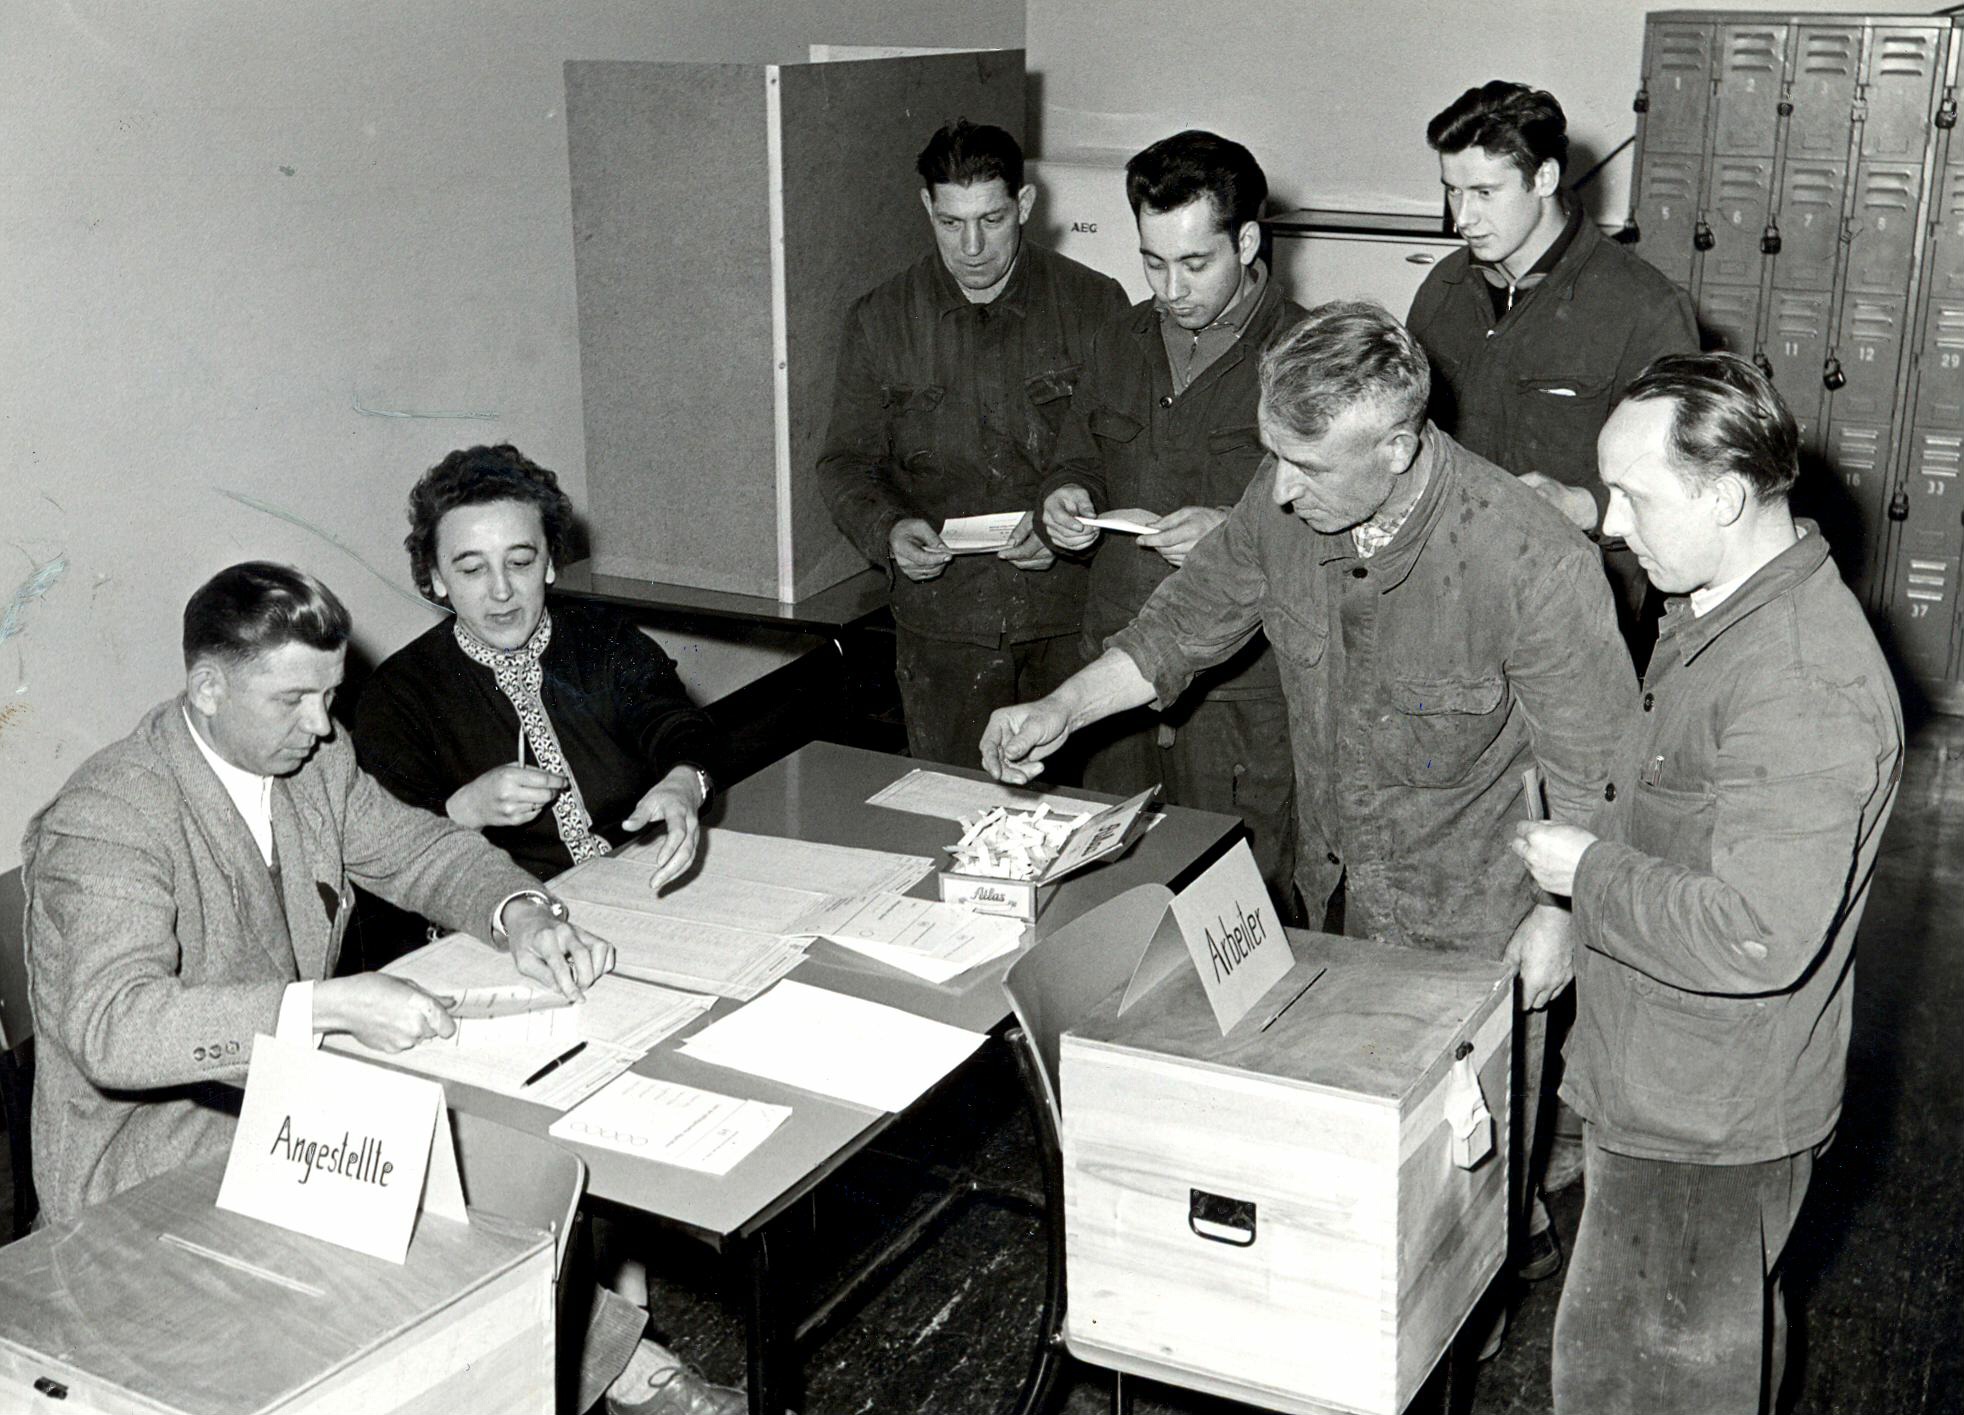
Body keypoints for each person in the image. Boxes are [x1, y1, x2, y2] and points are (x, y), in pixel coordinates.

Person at [986, 301, 1638, 1316]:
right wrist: (1060, 708)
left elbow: (1600, 770)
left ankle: (1494, 1271)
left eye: (1306, 467)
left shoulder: (1531, 559)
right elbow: (1179, 627)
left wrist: (1557, 916)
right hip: (1332, 895)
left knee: (1459, 1223)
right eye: (1273, 457)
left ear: (1397, 446)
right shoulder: (1284, 498)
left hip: (1475, 925)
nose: (1281, 490)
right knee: (1355, 1187)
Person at [1514, 354, 1903, 1413]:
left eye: (1632, 495)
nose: (1608, 523)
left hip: (1702, 1128)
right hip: (1666, 1085)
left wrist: (1584, 873)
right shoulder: (1717, 611)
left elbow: (1754, 933)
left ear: (1725, 496)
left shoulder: (1797, 678)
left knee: (1639, 1388)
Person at [23, 562, 611, 1226]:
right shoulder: (109, 811)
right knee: (469, 1210)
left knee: (517, 1178)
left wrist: (520, 911)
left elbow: (420, 852)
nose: (322, 725)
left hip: (285, 1114)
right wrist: (327, 1008)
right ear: (209, 688)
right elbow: (114, 1028)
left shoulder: (315, 766)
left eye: (329, 695)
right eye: (292, 700)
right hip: (142, 1173)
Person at [1037, 130, 1306, 910]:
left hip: (1240, 690)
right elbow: (1076, 455)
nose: (1171, 288)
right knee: (1108, 897)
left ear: (1246, 242)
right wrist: (1064, 496)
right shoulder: (1119, 339)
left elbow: (1344, 528)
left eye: (1194, 263)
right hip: (1116, 666)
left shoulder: (1307, 354)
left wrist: (1232, 526)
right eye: (1153, 262)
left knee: (1240, 906)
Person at [816, 119, 1126, 770]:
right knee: (956, 807)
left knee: (1082, 812)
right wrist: (888, 530)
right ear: (927, 208)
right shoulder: (880, 320)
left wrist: (1072, 517)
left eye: (992, 219)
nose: (973, 246)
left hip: (1069, 622)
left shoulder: (1095, 306)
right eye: (951, 223)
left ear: (1025, 205)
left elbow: (1127, 453)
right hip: (943, 632)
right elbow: (845, 463)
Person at [1407, 81, 1697, 650]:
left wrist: (1581, 504)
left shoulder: (1644, 307)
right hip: (1446, 593)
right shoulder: (1442, 290)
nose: (1462, 217)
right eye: (1452, 192)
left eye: (1484, 193)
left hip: (1575, 609)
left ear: (1543, 178)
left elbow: (1686, 480)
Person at [356, 444, 719, 888]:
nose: (502, 591)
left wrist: (684, 782)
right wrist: (464, 810)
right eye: (472, 569)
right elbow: (384, 848)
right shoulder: (397, 695)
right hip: (505, 905)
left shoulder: (604, 638)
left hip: (646, 875)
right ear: (436, 577)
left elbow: (678, 724)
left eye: (520, 562)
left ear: (548, 563)